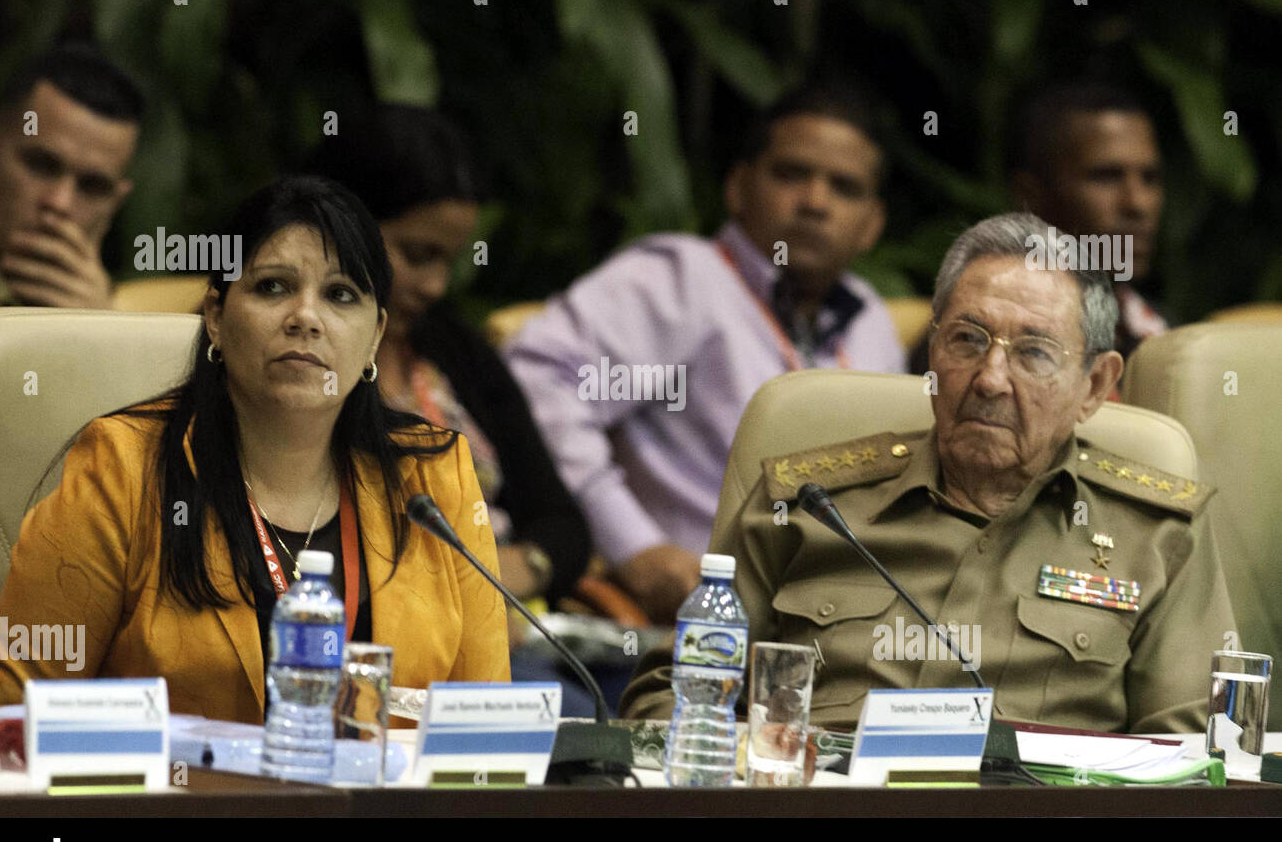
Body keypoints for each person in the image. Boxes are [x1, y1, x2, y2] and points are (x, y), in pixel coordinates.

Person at [621, 213, 1235, 733]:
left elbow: (1191, 761)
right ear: (933, 352)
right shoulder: (808, 503)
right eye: (967, 340)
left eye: (1034, 354)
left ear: (1095, 386)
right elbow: (674, 695)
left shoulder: (1156, 534)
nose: (991, 379)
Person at [0, 176, 509, 723]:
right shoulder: (122, 467)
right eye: (273, 287)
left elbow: (485, 731)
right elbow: (10, 716)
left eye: (340, 295)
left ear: (375, 335)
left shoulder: (432, 476)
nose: (305, 316)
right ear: (216, 315)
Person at [505, 82, 905, 624]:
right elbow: (537, 383)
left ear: (872, 224)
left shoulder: (870, 320)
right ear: (738, 187)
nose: (815, 201)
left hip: (837, 623)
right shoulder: (681, 281)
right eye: (790, 174)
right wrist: (634, 545)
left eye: (844, 187)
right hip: (693, 625)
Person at [305, 104, 592, 608]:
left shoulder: (452, 348)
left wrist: (514, 570)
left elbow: (562, 525)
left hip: (507, 621)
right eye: (417, 255)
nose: (436, 285)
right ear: (340, 227)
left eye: (449, 261)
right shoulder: (292, 351)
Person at [1008, 80, 1167, 362]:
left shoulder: (1161, 334)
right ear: (1029, 198)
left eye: (1150, 178)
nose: (1138, 203)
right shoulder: (977, 342)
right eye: (1106, 176)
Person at [0, 43, 143, 308]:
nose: (59, 203)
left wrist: (101, 331)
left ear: (114, 205)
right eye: (41, 166)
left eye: (92, 187)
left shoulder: (102, 310)